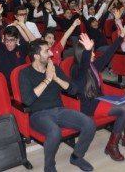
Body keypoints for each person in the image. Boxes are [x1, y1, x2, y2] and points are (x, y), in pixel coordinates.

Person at [19, 39, 96, 172]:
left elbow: (73, 90)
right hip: (38, 114)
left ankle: (77, 157)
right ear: (36, 56)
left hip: (59, 110)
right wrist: (47, 79)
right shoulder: (24, 73)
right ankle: (49, 167)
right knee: (54, 133)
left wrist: (56, 78)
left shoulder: (55, 68)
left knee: (89, 124)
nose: (50, 54)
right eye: (46, 51)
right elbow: (28, 100)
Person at [71, 28, 125, 162]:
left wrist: (120, 38)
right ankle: (112, 146)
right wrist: (88, 51)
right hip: (87, 104)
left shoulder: (93, 65)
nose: (94, 53)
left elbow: (107, 55)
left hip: (99, 98)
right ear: (83, 53)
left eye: (92, 50)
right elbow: (84, 64)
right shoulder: (77, 69)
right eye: (92, 51)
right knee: (124, 109)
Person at [0, 4, 35, 94]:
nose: (9, 43)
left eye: (12, 40)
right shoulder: (0, 48)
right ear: (3, 39)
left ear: (17, 40)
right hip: (3, 85)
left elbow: (33, 41)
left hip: (20, 84)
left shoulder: (21, 48)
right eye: (6, 40)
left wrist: (21, 25)